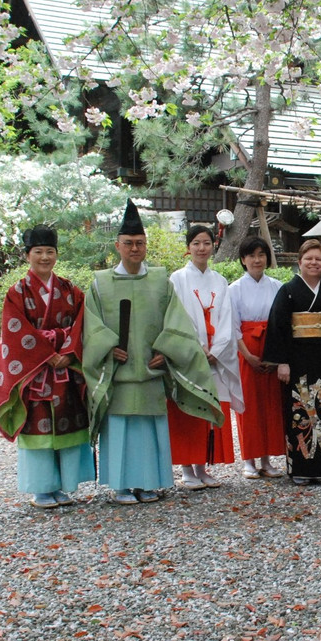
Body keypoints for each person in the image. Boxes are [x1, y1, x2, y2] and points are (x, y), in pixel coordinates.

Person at [82, 200, 221, 505]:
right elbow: (91, 326)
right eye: (129, 243)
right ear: (117, 245)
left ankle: (147, 484)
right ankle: (119, 486)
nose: (135, 249)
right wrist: (108, 349)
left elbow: (176, 322)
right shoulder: (101, 283)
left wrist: (167, 353)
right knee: (120, 430)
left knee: (148, 432)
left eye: (140, 243)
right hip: (119, 373)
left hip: (150, 370)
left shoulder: (160, 280)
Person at [0, 225, 94, 508]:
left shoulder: (69, 289)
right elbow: (16, 331)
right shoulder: (18, 292)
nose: (45, 257)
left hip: (65, 368)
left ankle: (61, 485)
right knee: (39, 429)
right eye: (38, 252)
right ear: (28, 256)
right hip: (35, 371)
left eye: (50, 251)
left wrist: (68, 351)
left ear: (56, 255)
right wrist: (49, 354)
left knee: (67, 424)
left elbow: (82, 324)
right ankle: (41, 489)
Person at [168, 224, 244, 489]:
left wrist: (217, 350)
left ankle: (202, 466)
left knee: (210, 410)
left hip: (216, 353)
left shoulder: (220, 281)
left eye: (207, 243)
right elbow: (177, 318)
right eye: (196, 243)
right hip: (190, 355)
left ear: (214, 246)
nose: (202, 248)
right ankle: (187, 469)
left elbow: (227, 318)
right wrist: (198, 347)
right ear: (188, 248)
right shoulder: (177, 279)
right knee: (189, 410)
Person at [263, 239, 321, 485]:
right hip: (296, 361)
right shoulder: (287, 290)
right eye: (309, 259)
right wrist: (281, 362)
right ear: (300, 262)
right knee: (299, 413)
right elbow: (277, 326)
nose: (314, 263)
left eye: (318, 259)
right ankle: (299, 468)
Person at [227, 236, 285, 479]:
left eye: (261, 255)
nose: (257, 260)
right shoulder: (234, 289)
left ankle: (266, 459)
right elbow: (232, 326)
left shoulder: (277, 286)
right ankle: (249, 460)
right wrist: (247, 355)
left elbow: (282, 323)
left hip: (271, 347)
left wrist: (276, 356)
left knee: (271, 405)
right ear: (243, 259)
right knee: (248, 405)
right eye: (251, 255)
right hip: (247, 349)